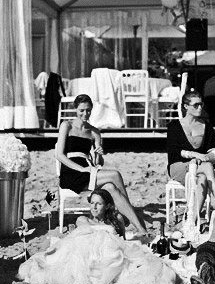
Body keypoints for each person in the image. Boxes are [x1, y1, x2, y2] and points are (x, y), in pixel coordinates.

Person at [19, 189, 179, 284]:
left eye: (99, 203)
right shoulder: (82, 219)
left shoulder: (117, 219)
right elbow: (81, 238)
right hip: (87, 256)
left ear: (107, 205)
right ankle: (85, 281)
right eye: (92, 203)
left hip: (110, 257)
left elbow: (122, 241)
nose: (94, 207)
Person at [55, 94, 147, 235]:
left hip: (89, 169)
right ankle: (133, 216)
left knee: (111, 188)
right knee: (115, 174)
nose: (85, 114)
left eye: (88, 110)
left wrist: (98, 153)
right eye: (82, 110)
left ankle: (138, 226)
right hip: (71, 172)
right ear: (75, 109)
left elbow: (98, 163)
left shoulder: (94, 132)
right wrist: (81, 169)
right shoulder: (66, 126)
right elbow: (59, 155)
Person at [166, 91, 215, 236]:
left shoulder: (207, 125)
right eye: (196, 105)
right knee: (206, 167)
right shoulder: (174, 126)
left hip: (202, 168)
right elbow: (174, 152)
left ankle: (191, 220)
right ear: (186, 106)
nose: (200, 108)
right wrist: (194, 154)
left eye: (201, 104)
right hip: (179, 166)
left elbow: (213, 151)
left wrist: (208, 157)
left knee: (203, 176)